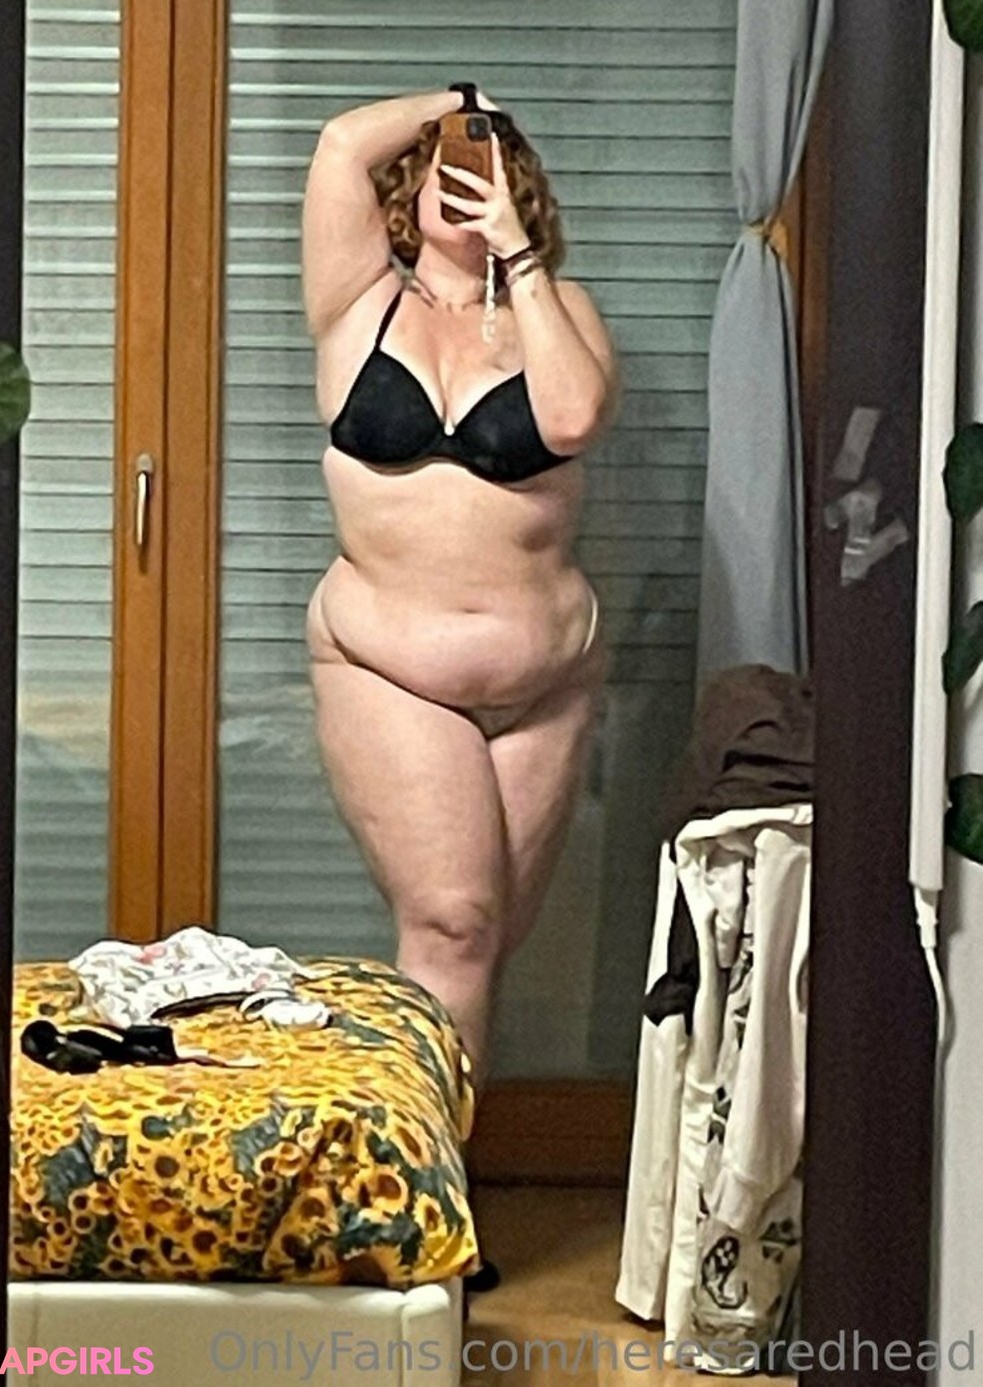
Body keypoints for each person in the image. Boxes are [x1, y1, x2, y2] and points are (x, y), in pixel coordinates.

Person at [301, 88, 620, 1096]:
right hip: (388, 668)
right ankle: (425, 1183)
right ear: (407, 189)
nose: (467, 176)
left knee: (482, 941)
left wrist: (518, 255)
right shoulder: (361, 301)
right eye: (446, 162)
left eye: (488, 163)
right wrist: (463, 104)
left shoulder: (558, 311)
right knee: (452, 920)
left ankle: (435, 1161)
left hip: (546, 683)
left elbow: (570, 419)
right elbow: (341, 144)